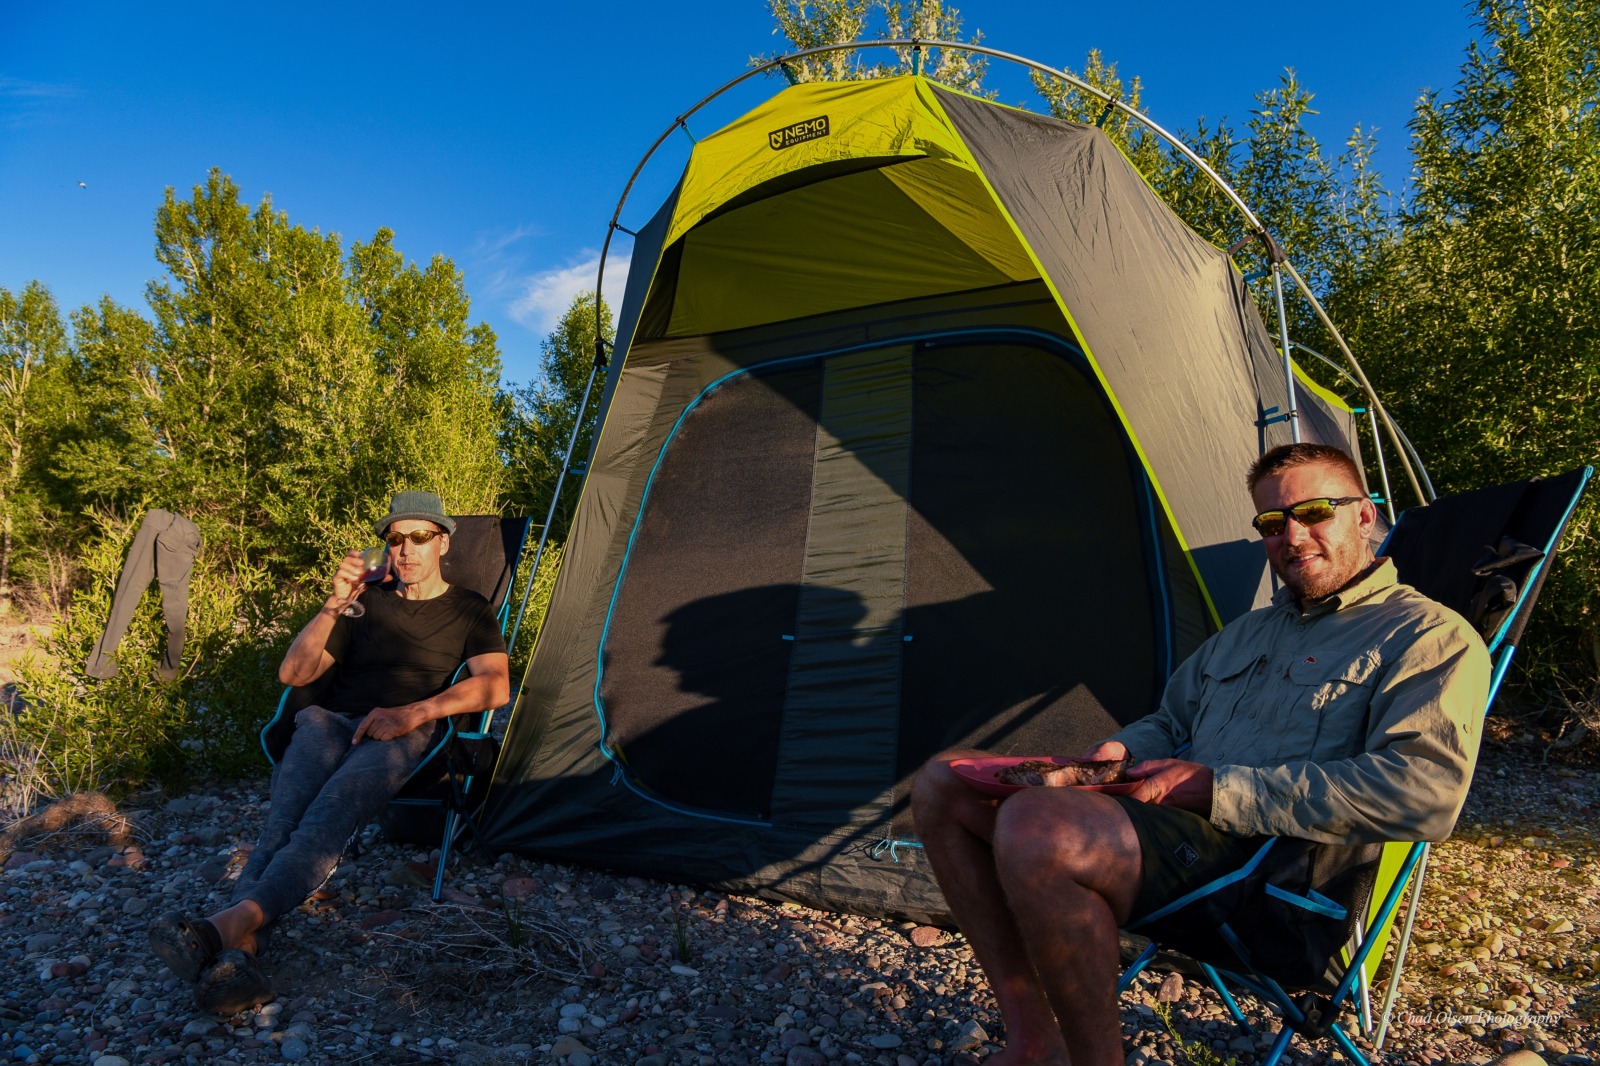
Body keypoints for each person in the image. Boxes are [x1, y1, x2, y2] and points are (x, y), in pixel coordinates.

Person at [912, 443, 1491, 1066]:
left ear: (1365, 516)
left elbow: (1425, 793)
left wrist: (1215, 790)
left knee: (1040, 828)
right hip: (1184, 839)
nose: (1293, 536)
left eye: (1315, 510)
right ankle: (1033, 1040)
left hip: (1280, 888)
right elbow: (1169, 722)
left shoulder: (1429, 636)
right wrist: (1116, 752)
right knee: (944, 780)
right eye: (1272, 522)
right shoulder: (1247, 633)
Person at [149, 490, 511, 1014]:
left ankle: (226, 928)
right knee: (282, 824)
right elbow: (294, 675)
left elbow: (495, 687)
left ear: (443, 543)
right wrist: (332, 605)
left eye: (419, 537)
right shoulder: (366, 602)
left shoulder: (468, 608)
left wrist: (412, 714)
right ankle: (242, 950)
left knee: (324, 821)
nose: (405, 550)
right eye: (394, 539)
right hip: (328, 722)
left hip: (401, 734)